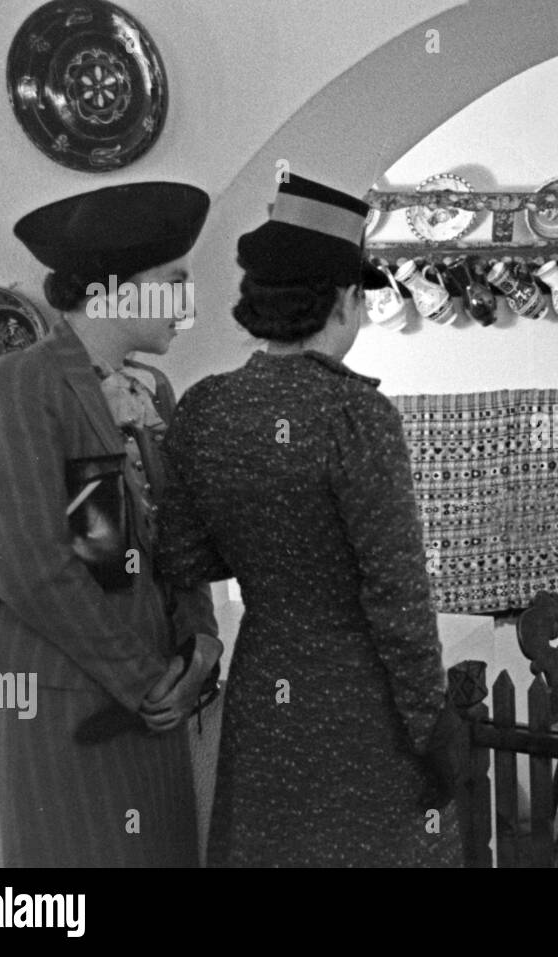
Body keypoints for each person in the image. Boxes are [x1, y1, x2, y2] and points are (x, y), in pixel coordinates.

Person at [158, 174, 460, 867]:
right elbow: (397, 595)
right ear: (343, 300)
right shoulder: (356, 416)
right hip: (361, 701)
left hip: (266, 685)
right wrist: (431, 722)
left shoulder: (205, 408)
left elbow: (183, 557)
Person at [0, 181, 222, 867]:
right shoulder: (20, 382)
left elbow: (177, 538)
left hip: (155, 695)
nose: (188, 305)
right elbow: (29, 562)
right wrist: (142, 678)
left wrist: (198, 642)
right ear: (115, 289)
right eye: (174, 282)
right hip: (67, 696)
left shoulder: (151, 392)